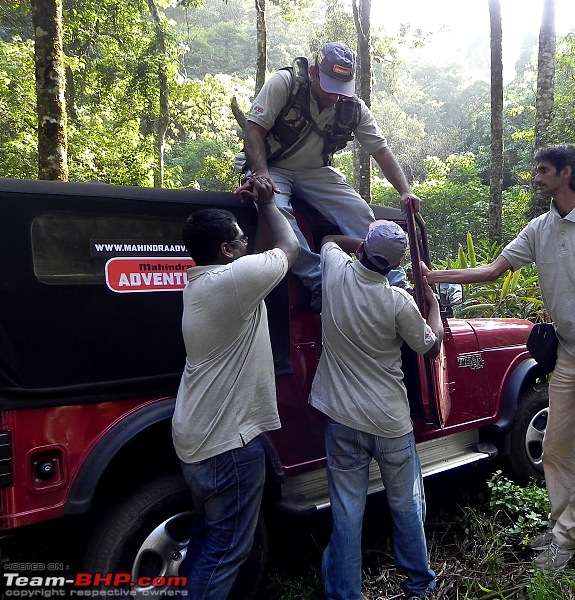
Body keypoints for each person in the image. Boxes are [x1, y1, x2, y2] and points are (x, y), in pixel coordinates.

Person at [421, 143, 575, 572]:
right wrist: (431, 276)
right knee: (553, 447)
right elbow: (492, 270)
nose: (536, 177)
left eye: (543, 170)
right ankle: (564, 525)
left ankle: (568, 539)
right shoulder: (539, 228)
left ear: (565, 174)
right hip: (566, 353)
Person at [172, 177, 299, 598]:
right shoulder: (233, 283)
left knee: (207, 541)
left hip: (198, 438)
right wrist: (271, 201)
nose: (248, 247)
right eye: (241, 242)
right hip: (227, 445)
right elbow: (290, 250)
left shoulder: (201, 285)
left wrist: (260, 213)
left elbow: (262, 257)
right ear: (227, 251)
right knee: (226, 552)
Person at [309, 219, 443, 600]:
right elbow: (430, 348)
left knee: (347, 512)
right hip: (390, 422)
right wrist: (432, 307)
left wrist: (364, 244)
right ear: (393, 266)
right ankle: (419, 583)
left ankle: (345, 593)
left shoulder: (335, 271)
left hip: (342, 419)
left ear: (364, 250)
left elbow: (328, 239)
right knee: (406, 506)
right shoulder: (399, 301)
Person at [242, 42, 420, 311]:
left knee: (358, 211)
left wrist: (404, 190)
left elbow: (381, 151)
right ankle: (318, 281)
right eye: (329, 87)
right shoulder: (285, 84)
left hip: (315, 172)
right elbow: (254, 129)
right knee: (277, 212)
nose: (334, 96)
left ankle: (395, 283)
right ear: (314, 72)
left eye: (341, 88)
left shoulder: (352, 107)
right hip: (274, 165)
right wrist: (262, 173)